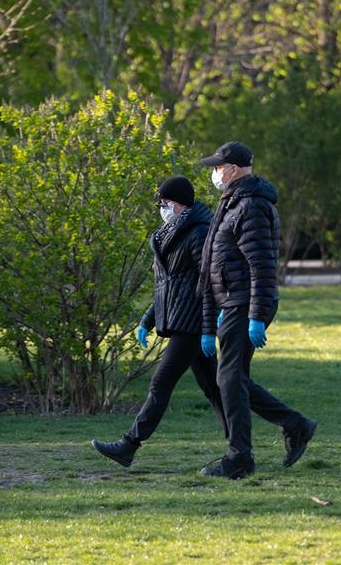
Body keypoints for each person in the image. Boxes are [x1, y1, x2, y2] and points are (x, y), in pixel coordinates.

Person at [197, 141, 317, 480]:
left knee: (229, 378)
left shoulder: (250, 206)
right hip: (235, 301)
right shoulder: (233, 202)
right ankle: (294, 424)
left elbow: (262, 266)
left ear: (233, 169)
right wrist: (220, 306)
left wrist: (255, 316)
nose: (214, 173)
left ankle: (239, 458)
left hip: (246, 302)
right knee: (233, 378)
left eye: (218, 167)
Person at [91, 176, 228, 467]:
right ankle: (261, 436)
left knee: (161, 383)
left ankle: (128, 445)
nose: (162, 208)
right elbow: (169, 286)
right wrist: (147, 320)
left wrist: (208, 329)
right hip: (182, 320)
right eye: (161, 203)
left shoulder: (198, 233)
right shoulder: (169, 234)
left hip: (192, 323)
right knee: (217, 387)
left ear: (181, 203)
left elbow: (210, 284)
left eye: (166, 202)